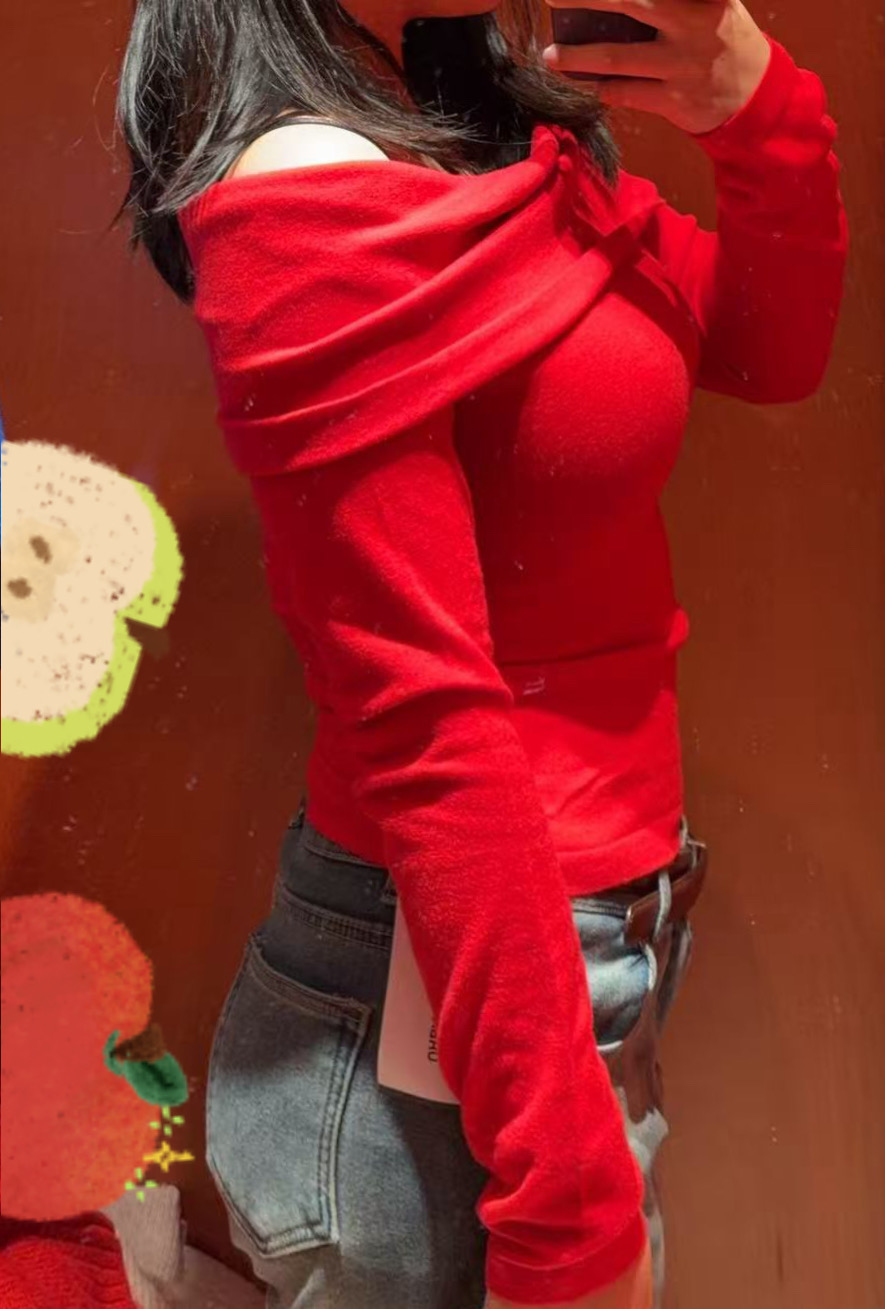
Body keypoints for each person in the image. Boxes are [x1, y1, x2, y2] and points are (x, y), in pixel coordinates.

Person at [116, 2, 848, 1307]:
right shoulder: (312, 186)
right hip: (449, 1005)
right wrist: (569, 1218)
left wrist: (757, 115)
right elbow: (425, 725)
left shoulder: (486, 130)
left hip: (561, 966)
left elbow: (767, 345)